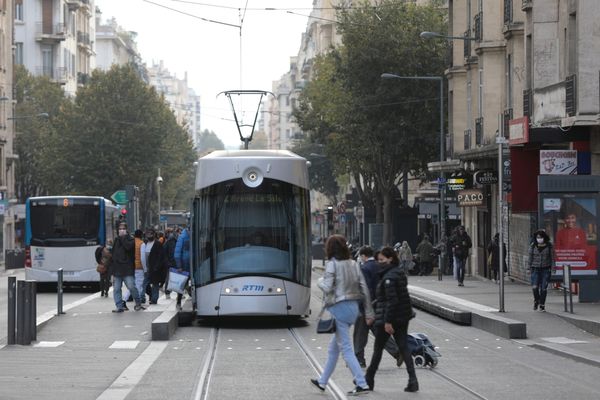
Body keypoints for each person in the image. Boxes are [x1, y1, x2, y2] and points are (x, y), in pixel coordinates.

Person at [310, 235, 374, 396]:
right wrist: (368, 312)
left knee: (345, 348)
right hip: (353, 309)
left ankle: (361, 383)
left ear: (330, 248)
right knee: (334, 349)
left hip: (339, 308)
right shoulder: (354, 264)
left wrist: (318, 281)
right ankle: (322, 381)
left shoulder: (332, 264)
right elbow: (364, 289)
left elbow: (327, 287)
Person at [365, 246, 418, 393]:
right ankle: (413, 381)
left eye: (382, 260)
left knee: (378, 350)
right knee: (403, 347)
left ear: (390, 259)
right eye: (378, 260)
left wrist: (387, 322)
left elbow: (392, 300)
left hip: (390, 318)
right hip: (403, 317)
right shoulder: (397, 273)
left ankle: (369, 380)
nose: (379, 262)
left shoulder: (389, 277)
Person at [353, 246, 400, 368]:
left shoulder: (364, 268)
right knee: (379, 332)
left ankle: (359, 359)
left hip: (366, 306)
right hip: (379, 304)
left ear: (364, 256)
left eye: (360, 256)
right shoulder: (380, 265)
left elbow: (365, 290)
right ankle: (397, 352)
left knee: (359, 334)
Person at [110, 222, 144, 312]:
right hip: (117, 269)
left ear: (126, 230)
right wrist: (112, 270)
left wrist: (123, 238)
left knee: (132, 287)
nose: (121, 230)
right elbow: (113, 254)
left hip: (127, 269)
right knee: (116, 289)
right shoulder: (116, 240)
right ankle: (119, 306)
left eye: (123, 228)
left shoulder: (131, 240)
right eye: (120, 229)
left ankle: (138, 303)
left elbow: (128, 247)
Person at [141, 228, 168, 304]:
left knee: (155, 284)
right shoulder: (144, 243)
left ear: (154, 234)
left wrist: (157, 266)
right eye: (148, 234)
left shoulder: (157, 244)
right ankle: (147, 296)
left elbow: (161, 256)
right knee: (144, 284)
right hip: (146, 268)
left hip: (155, 268)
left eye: (151, 234)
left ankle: (154, 299)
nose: (149, 235)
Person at [528, 229, 553, 312]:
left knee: (543, 288)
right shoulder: (533, 246)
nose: (539, 239)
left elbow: (553, 258)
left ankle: (542, 305)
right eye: (538, 237)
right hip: (535, 269)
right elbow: (530, 257)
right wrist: (529, 268)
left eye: (541, 237)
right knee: (535, 287)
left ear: (544, 238)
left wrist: (553, 268)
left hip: (546, 269)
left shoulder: (549, 246)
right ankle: (536, 300)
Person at [174, 226, 191, 310]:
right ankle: (178, 302)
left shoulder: (192, 235)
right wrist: (179, 266)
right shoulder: (182, 237)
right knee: (182, 284)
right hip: (184, 266)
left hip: (191, 264)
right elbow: (177, 252)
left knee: (185, 283)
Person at [133, 229, 146, 304]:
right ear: (141, 235)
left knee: (133, 284)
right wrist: (145, 269)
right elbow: (143, 258)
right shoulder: (142, 243)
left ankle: (124, 299)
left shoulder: (131, 242)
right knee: (139, 284)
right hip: (139, 267)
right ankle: (138, 300)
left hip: (132, 266)